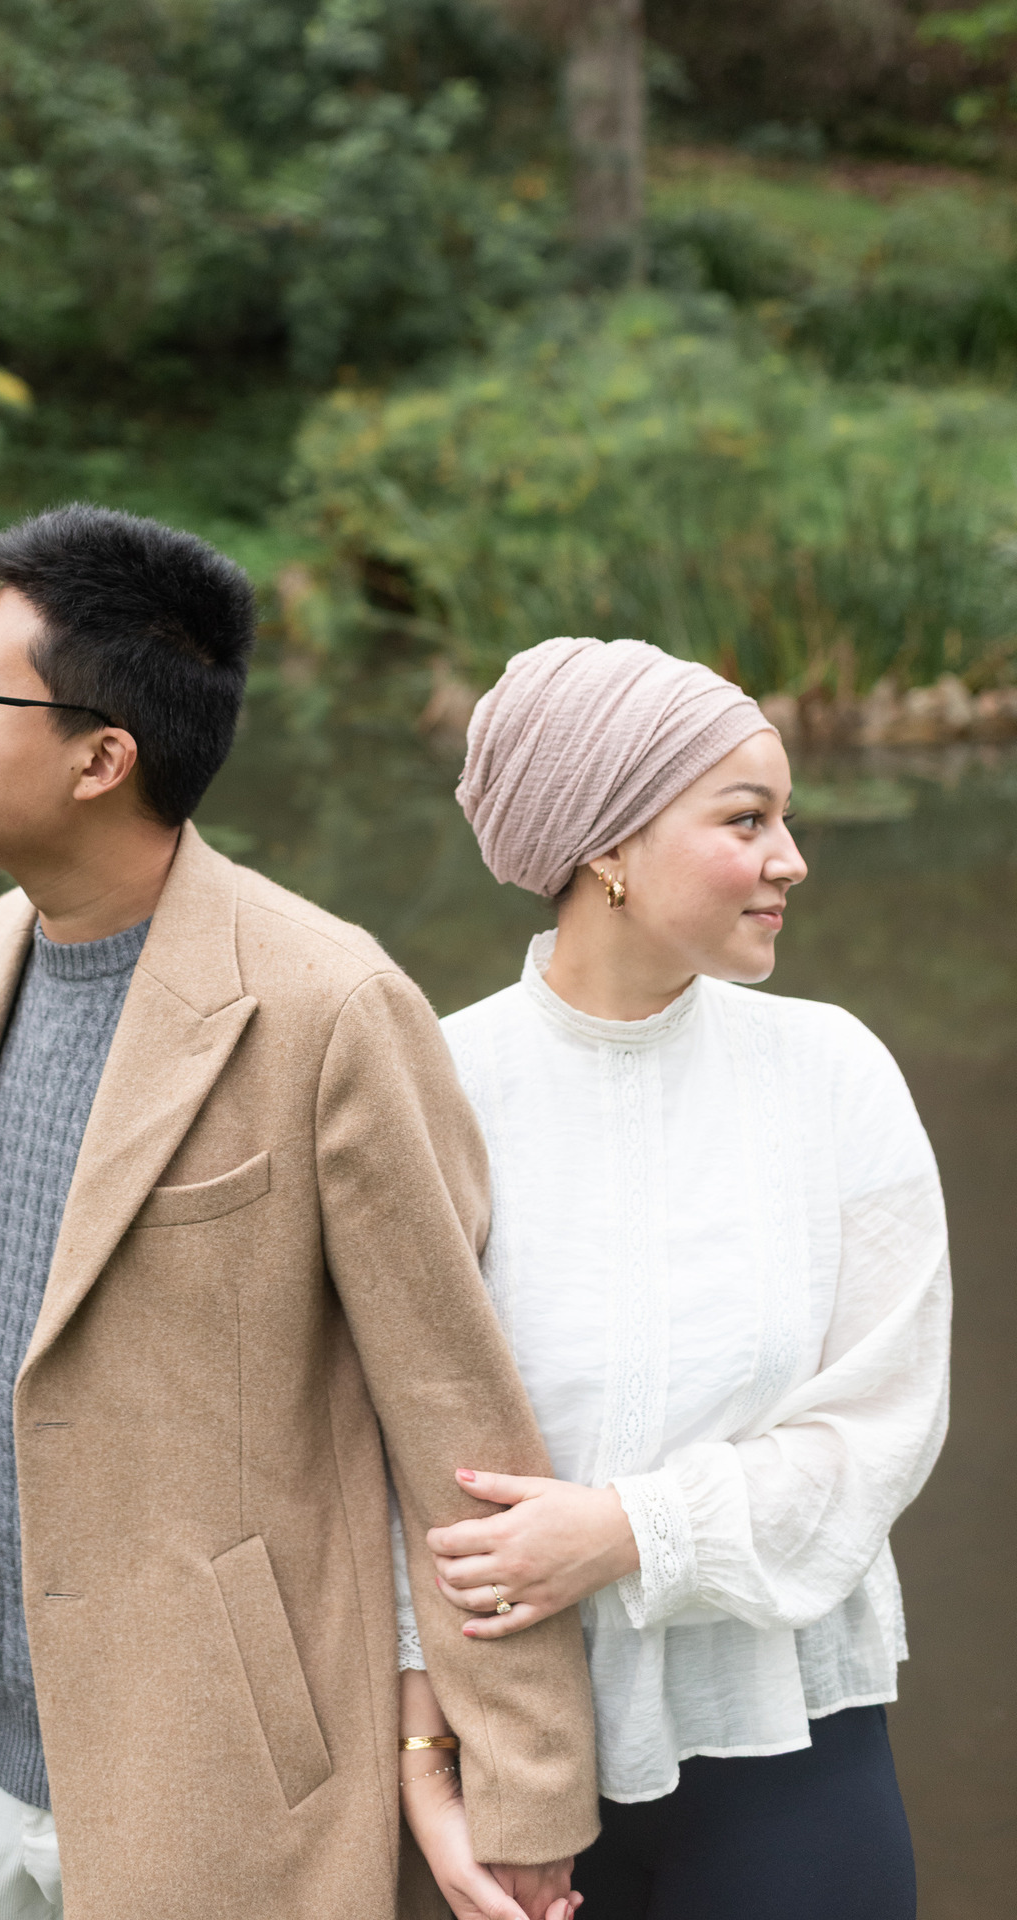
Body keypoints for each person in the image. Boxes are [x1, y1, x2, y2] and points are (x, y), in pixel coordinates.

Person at [0, 509, 599, 1920]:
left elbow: (457, 1425)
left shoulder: (328, 1006)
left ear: (101, 758)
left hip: (210, 1773)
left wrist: (522, 1780)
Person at [393, 637, 950, 1920]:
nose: (789, 859)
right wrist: (423, 1755)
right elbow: (375, 1465)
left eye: (784, 820)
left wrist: (628, 1531)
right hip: (517, 1766)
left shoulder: (831, 1073)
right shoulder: (435, 1085)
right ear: (606, 846)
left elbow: (881, 1428)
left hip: (791, 1755)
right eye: (744, 820)